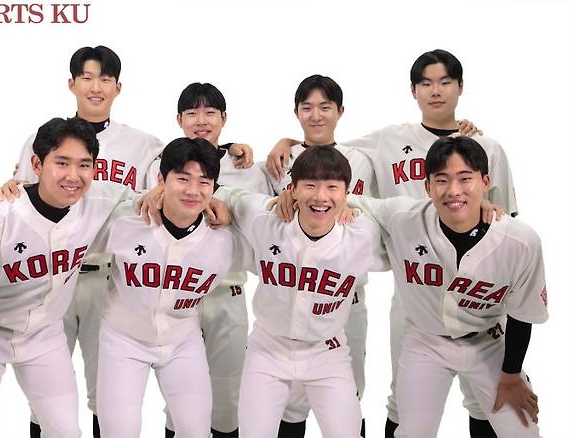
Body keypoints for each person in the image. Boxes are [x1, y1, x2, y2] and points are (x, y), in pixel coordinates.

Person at [0, 47, 253, 438]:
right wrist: (11, 187)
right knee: (44, 392)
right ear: (71, 84)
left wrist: (229, 152)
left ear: (118, 87)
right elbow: (25, 196)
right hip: (54, 271)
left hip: (110, 277)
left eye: (104, 79)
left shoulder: (142, 144)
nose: (95, 87)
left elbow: (187, 167)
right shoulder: (41, 138)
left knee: (105, 395)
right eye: (87, 77)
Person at [266, 49, 517, 438]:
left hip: (475, 283)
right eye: (426, 83)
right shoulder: (388, 141)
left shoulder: (486, 147)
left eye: (445, 82)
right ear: (413, 90)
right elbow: (325, 145)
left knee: (486, 399)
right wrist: (286, 141)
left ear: (460, 87)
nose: (436, 91)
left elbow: (509, 223)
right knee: (403, 398)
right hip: (415, 281)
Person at [0, 117, 130, 438]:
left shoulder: (99, 201)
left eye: (84, 164)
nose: (74, 175)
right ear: (37, 164)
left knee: (66, 432)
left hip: (44, 337)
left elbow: (153, 199)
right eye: (62, 163)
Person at [351, 136, 545, 437]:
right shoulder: (403, 216)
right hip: (424, 341)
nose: (453, 190)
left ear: (485, 181)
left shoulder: (519, 240)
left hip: (488, 341)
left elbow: (523, 313)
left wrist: (511, 375)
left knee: (522, 431)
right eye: (442, 180)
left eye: (465, 179)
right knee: (412, 432)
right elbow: (346, 200)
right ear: (427, 187)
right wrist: (293, 197)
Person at [219, 146, 387, 438]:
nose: (320, 196)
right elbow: (225, 193)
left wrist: (353, 205)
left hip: (327, 352)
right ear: (292, 189)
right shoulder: (266, 215)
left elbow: (408, 216)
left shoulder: (363, 234)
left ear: (346, 193)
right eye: (310, 185)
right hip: (268, 350)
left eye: (332, 187)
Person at [93, 137, 250, 438]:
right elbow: (78, 202)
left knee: (195, 430)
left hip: (182, 340)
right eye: (182, 179)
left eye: (204, 182)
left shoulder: (225, 237)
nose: (193, 190)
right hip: (123, 340)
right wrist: (22, 189)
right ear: (161, 180)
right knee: (120, 431)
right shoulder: (126, 219)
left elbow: (279, 238)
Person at [141, 82, 272, 438]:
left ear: (224, 118)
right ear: (179, 119)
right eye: (192, 113)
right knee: (179, 400)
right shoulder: (161, 164)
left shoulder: (246, 166)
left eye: (210, 112)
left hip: (227, 292)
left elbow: (263, 222)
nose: (201, 120)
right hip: (177, 292)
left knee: (227, 394)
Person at [259, 74, 374, 437]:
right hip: (291, 292)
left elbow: (378, 211)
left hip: (343, 296)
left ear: (340, 111)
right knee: (290, 403)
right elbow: (261, 215)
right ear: (296, 112)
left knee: (347, 397)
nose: (316, 115)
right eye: (307, 107)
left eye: (325, 107)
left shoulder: (360, 158)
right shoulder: (280, 160)